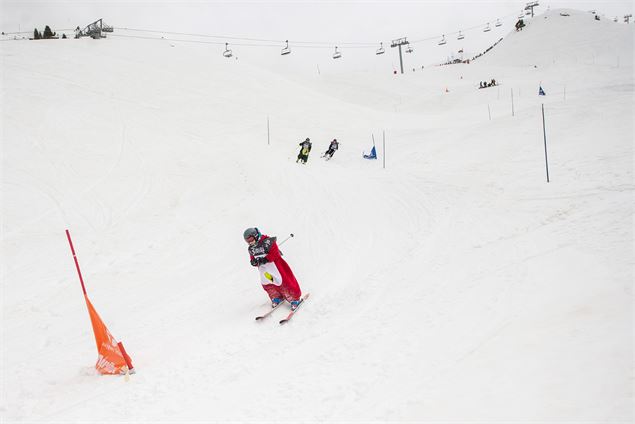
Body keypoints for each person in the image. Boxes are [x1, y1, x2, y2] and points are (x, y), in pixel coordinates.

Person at [244, 227, 302, 310]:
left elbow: (275, 253)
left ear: (256, 235)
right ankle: (276, 296)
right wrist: (254, 262)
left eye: (251, 239)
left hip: (276, 267)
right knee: (268, 282)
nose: (250, 242)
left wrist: (266, 259)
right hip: (265, 270)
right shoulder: (251, 248)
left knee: (283, 281)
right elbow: (252, 258)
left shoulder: (268, 242)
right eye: (247, 241)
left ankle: (294, 298)